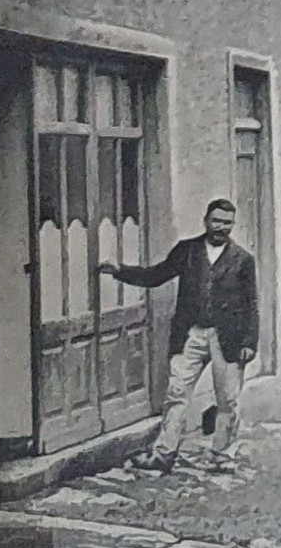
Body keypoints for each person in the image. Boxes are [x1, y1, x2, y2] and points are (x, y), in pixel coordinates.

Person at [101, 198, 258, 475]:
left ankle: (222, 455)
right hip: (191, 334)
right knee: (176, 394)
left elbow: (251, 304)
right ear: (206, 221)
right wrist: (120, 271)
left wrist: (249, 342)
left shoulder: (243, 259)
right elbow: (156, 275)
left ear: (233, 225)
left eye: (227, 223)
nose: (221, 227)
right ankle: (163, 454)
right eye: (216, 221)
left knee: (229, 400)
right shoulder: (187, 250)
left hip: (229, 339)